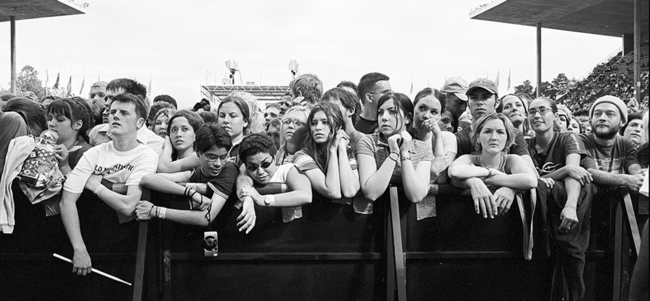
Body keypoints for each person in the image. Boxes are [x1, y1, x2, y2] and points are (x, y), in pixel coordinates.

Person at [60, 93, 158, 276]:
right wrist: (79, 248)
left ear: (140, 122)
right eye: (112, 111)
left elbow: (129, 205)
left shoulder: (146, 155)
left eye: (124, 113)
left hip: (126, 242)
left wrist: (95, 185)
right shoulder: (94, 153)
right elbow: (67, 201)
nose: (115, 116)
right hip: (91, 236)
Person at [527, 97, 594, 301]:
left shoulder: (568, 138)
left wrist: (571, 207)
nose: (536, 115)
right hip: (542, 221)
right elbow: (530, 179)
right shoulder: (525, 145)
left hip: (567, 212)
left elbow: (575, 173)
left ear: (555, 116)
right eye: (531, 111)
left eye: (542, 110)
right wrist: (563, 170)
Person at [137, 124, 245, 229]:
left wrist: (157, 211)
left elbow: (206, 218)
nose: (218, 163)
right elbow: (147, 179)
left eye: (223, 157)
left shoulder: (228, 169)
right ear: (198, 153)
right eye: (212, 157)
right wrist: (191, 192)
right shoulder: (196, 171)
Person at [448, 113, 537, 219]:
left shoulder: (511, 160)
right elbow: (454, 171)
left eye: (500, 132)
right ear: (478, 138)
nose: (494, 137)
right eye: (487, 131)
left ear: (508, 139)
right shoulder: (470, 158)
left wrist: (506, 186)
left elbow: (531, 180)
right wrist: (482, 176)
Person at [357, 92, 432, 204]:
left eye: (393, 112)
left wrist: (404, 153)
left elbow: (416, 196)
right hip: (373, 216)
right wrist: (393, 154)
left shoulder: (422, 148)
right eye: (380, 113)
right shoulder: (368, 142)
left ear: (407, 118)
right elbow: (371, 193)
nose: (384, 118)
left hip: (407, 218)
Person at [456, 79, 535, 173]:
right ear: (468, 104)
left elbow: (531, 174)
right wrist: (473, 182)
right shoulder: (459, 138)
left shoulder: (514, 134)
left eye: (485, 97)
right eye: (474, 98)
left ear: (497, 103)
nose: (479, 102)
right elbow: (452, 177)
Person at [236, 133, 312, 225]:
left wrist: (263, 199)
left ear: (274, 158)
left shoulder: (287, 170)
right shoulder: (245, 171)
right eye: (253, 167)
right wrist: (247, 198)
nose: (260, 171)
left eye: (265, 164)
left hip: (288, 231)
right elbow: (242, 181)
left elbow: (306, 195)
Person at [293, 102, 359, 200]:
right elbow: (333, 192)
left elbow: (350, 191)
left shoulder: (347, 152)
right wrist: (332, 151)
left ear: (338, 126)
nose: (318, 128)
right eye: (314, 123)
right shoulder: (301, 155)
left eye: (325, 122)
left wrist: (341, 148)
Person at [580, 96, 644, 192]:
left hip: (617, 203)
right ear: (590, 121)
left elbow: (635, 170)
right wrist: (627, 180)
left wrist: (640, 175)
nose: (602, 118)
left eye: (610, 114)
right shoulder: (580, 141)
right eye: (597, 114)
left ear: (622, 122)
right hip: (589, 203)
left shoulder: (626, 144)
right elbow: (590, 172)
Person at [87, 78, 164, 155]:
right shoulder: (97, 133)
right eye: (106, 98)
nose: (106, 103)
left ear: (134, 100)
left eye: (113, 98)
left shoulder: (158, 145)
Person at [411, 88, 457, 183]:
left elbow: (441, 178)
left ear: (440, 116)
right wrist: (432, 171)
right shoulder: (404, 137)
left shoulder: (447, 138)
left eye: (434, 112)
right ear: (413, 108)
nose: (427, 116)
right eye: (422, 108)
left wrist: (438, 136)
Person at [47, 98, 94, 176]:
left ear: (78, 125)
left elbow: (81, 186)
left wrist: (64, 166)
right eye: (50, 119)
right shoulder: (42, 146)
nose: (51, 123)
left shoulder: (87, 154)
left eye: (60, 120)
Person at [216, 95, 251, 166]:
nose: (226, 120)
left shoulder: (250, 148)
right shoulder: (210, 145)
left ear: (245, 121)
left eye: (233, 116)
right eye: (222, 116)